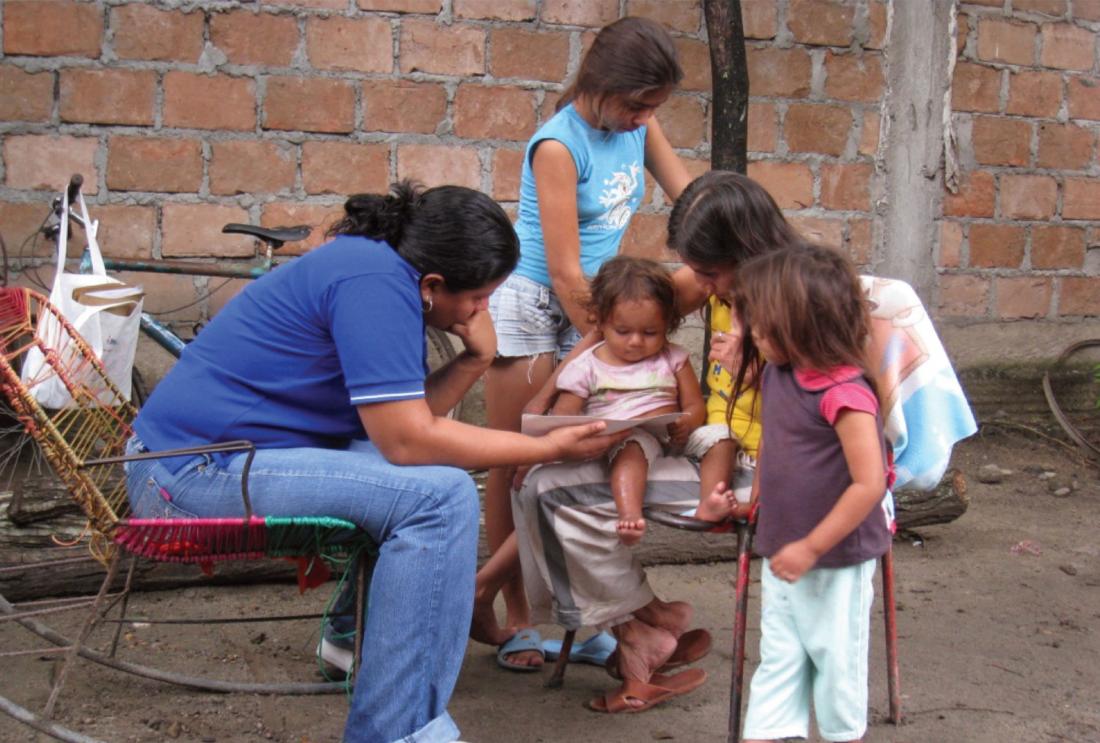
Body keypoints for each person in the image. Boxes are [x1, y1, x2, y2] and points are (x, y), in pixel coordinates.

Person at [122, 181, 626, 743]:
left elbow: (402, 424)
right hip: (188, 472)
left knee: (428, 485)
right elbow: (408, 442)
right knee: (441, 498)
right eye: (481, 297)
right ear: (434, 286)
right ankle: (394, 733)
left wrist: (478, 357)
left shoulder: (384, 272)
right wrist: (550, 448)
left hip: (226, 457)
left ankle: (348, 634)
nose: (484, 310)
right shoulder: (374, 283)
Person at [508, 171, 807, 713]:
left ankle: (639, 631)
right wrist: (546, 397)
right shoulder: (723, 282)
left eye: (710, 272)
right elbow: (613, 322)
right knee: (533, 482)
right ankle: (646, 622)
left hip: (753, 465)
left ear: (750, 253)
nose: (702, 285)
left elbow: (814, 413)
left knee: (551, 494)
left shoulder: (797, 305)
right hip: (696, 445)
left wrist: (758, 353)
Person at [476, 15, 692, 670]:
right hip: (538, 304)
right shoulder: (557, 147)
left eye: (653, 108)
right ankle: (514, 617)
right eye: (638, 104)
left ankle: (579, 614)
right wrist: (602, 346)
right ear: (603, 86)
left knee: (581, 468)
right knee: (517, 464)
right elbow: (566, 270)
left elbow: (690, 200)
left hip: (599, 307)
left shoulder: (639, 124)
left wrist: (731, 231)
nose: (644, 118)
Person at [730, 244, 893, 743]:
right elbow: (776, 451)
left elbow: (869, 484)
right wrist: (747, 503)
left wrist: (813, 546)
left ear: (803, 322)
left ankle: (843, 736)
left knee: (835, 659)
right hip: (785, 549)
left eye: (761, 324)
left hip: (835, 558)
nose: (754, 333)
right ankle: (772, 734)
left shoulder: (845, 394)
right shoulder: (780, 374)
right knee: (780, 652)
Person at [549, 256, 705, 545]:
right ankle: (629, 515)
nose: (635, 341)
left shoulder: (674, 359)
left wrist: (688, 421)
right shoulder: (587, 367)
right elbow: (564, 418)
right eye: (623, 331)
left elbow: (696, 405)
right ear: (601, 321)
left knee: (720, 438)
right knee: (632, 445)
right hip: (613, 442)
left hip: (668, 442)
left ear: (667, 325)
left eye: (650, 333)